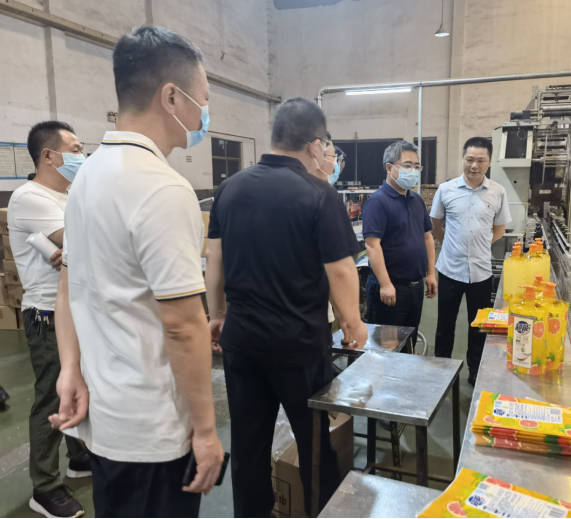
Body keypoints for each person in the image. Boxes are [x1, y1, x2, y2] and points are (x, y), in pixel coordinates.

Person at [49, 26, 224, 518]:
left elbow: (68, 286)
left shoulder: (88, 177)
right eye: (202, 99)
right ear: (171, 97)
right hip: (154, 431)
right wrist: (206, 431)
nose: (204, 112)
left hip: (106, 418)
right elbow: (183, 326)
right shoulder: (162, 188)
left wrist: (70, 367)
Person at [205, 97, 368, 518]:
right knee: (314, 444)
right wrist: (352, 321)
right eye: (325, 144)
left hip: (242, 343)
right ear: (314, 144)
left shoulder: (229, 188)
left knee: (248, 446)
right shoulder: (319, 194)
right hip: (297, 345)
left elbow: (214, 262)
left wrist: (217, 315)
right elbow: (341, 270)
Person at [7, 120, 90, 519]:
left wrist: (75, 248)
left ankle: (80, 457)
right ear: (49, 156)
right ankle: (45, 487)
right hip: (47, 313)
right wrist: (79, 246)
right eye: (75, 149)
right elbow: (90, 245)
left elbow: (82, 246)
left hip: (75, 308)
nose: (81, 155)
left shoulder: (70, 195)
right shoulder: (30, 197)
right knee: (52, 397)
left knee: (80, 385)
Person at [431, 137, 511, 386]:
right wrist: (451, 245)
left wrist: (480, 245)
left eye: (480, 160)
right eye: (469, 159)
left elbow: (499, 228)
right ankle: (442, 370)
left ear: (489, 162)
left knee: (478, 326)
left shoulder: (498, 191)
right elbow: (435, 225)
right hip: (449, 270)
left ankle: (475, 371)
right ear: (463, 159)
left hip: (481, 272)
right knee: (445, 324)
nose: (474, 165)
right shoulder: (446, 190)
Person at [362, 141, 437, 353]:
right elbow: (372, 246)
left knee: (409, 342)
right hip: (391, 288)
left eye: (416, 166)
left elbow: (427, 238)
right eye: (407, 165)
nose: (413, 171)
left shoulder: (416, 200)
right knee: (387, 348)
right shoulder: (378, 202)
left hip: (415, 287)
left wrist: (431, 273)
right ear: (389, 167)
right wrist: (385, 284)